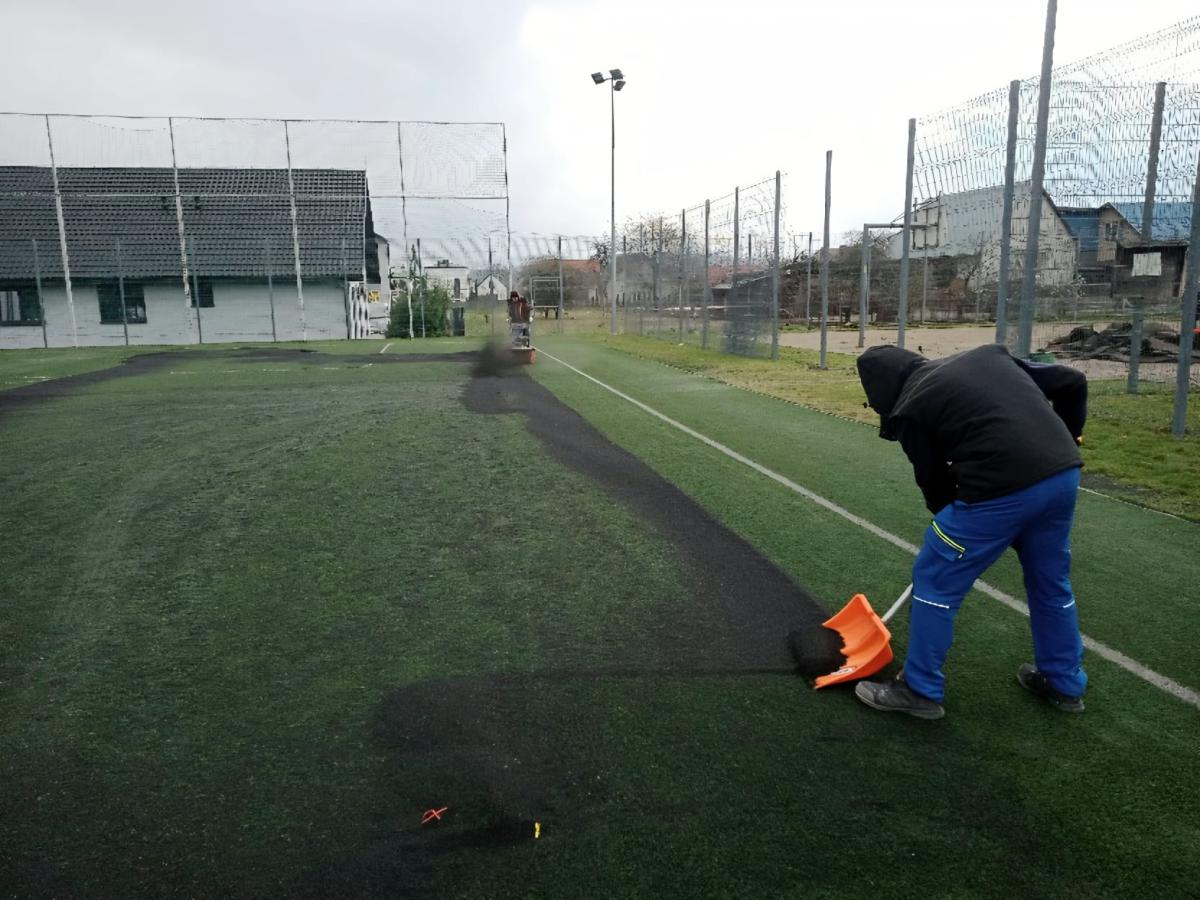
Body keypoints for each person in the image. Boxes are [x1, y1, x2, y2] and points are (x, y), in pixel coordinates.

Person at [853, 343, 1089, 720]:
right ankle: (1064, 681)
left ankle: (919, 690)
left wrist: (958, 539)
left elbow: (935, 486)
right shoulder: (989, 356)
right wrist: (1069, 434)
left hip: (1001, 491)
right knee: (1050, 581)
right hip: (1062, 477)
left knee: (935, 577)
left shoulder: (911, 406)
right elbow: (1073, 381)